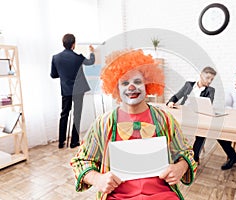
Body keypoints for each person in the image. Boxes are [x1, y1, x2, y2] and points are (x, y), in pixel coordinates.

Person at [70, 49, 197, 200]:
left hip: (162, 195)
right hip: (117, 197)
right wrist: (98, 179)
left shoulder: (165, 119)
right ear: (116, 87)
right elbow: (80, 161)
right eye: (125, 83)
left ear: (147, 84)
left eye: (137, 82)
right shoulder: (103, 124)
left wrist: (179, 168)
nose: (131, 87)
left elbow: (187, 153)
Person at [50, 33, 95, 149]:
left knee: (64, 114)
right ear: (73, 44)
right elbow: (90, 62)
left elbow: (53, 75)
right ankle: (74, 142)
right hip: (79, 90)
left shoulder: (56, 57)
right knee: (77, 114)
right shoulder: (78, 57)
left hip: (65, 90)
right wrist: (92, 52)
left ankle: (61, 142)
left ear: (63, 44)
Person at [166, 66, 217, 164]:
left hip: (198, 116)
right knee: (170, 126)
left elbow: (208, 104)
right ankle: (173, 153)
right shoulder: (189, 85)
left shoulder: (210, 90)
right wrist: (171, 102)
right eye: (208, 78)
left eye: (212, 79)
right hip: (184, 114)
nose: (210, 81)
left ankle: (194, 157)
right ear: (201, 76)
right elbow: (177, 96)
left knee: (203, 132)